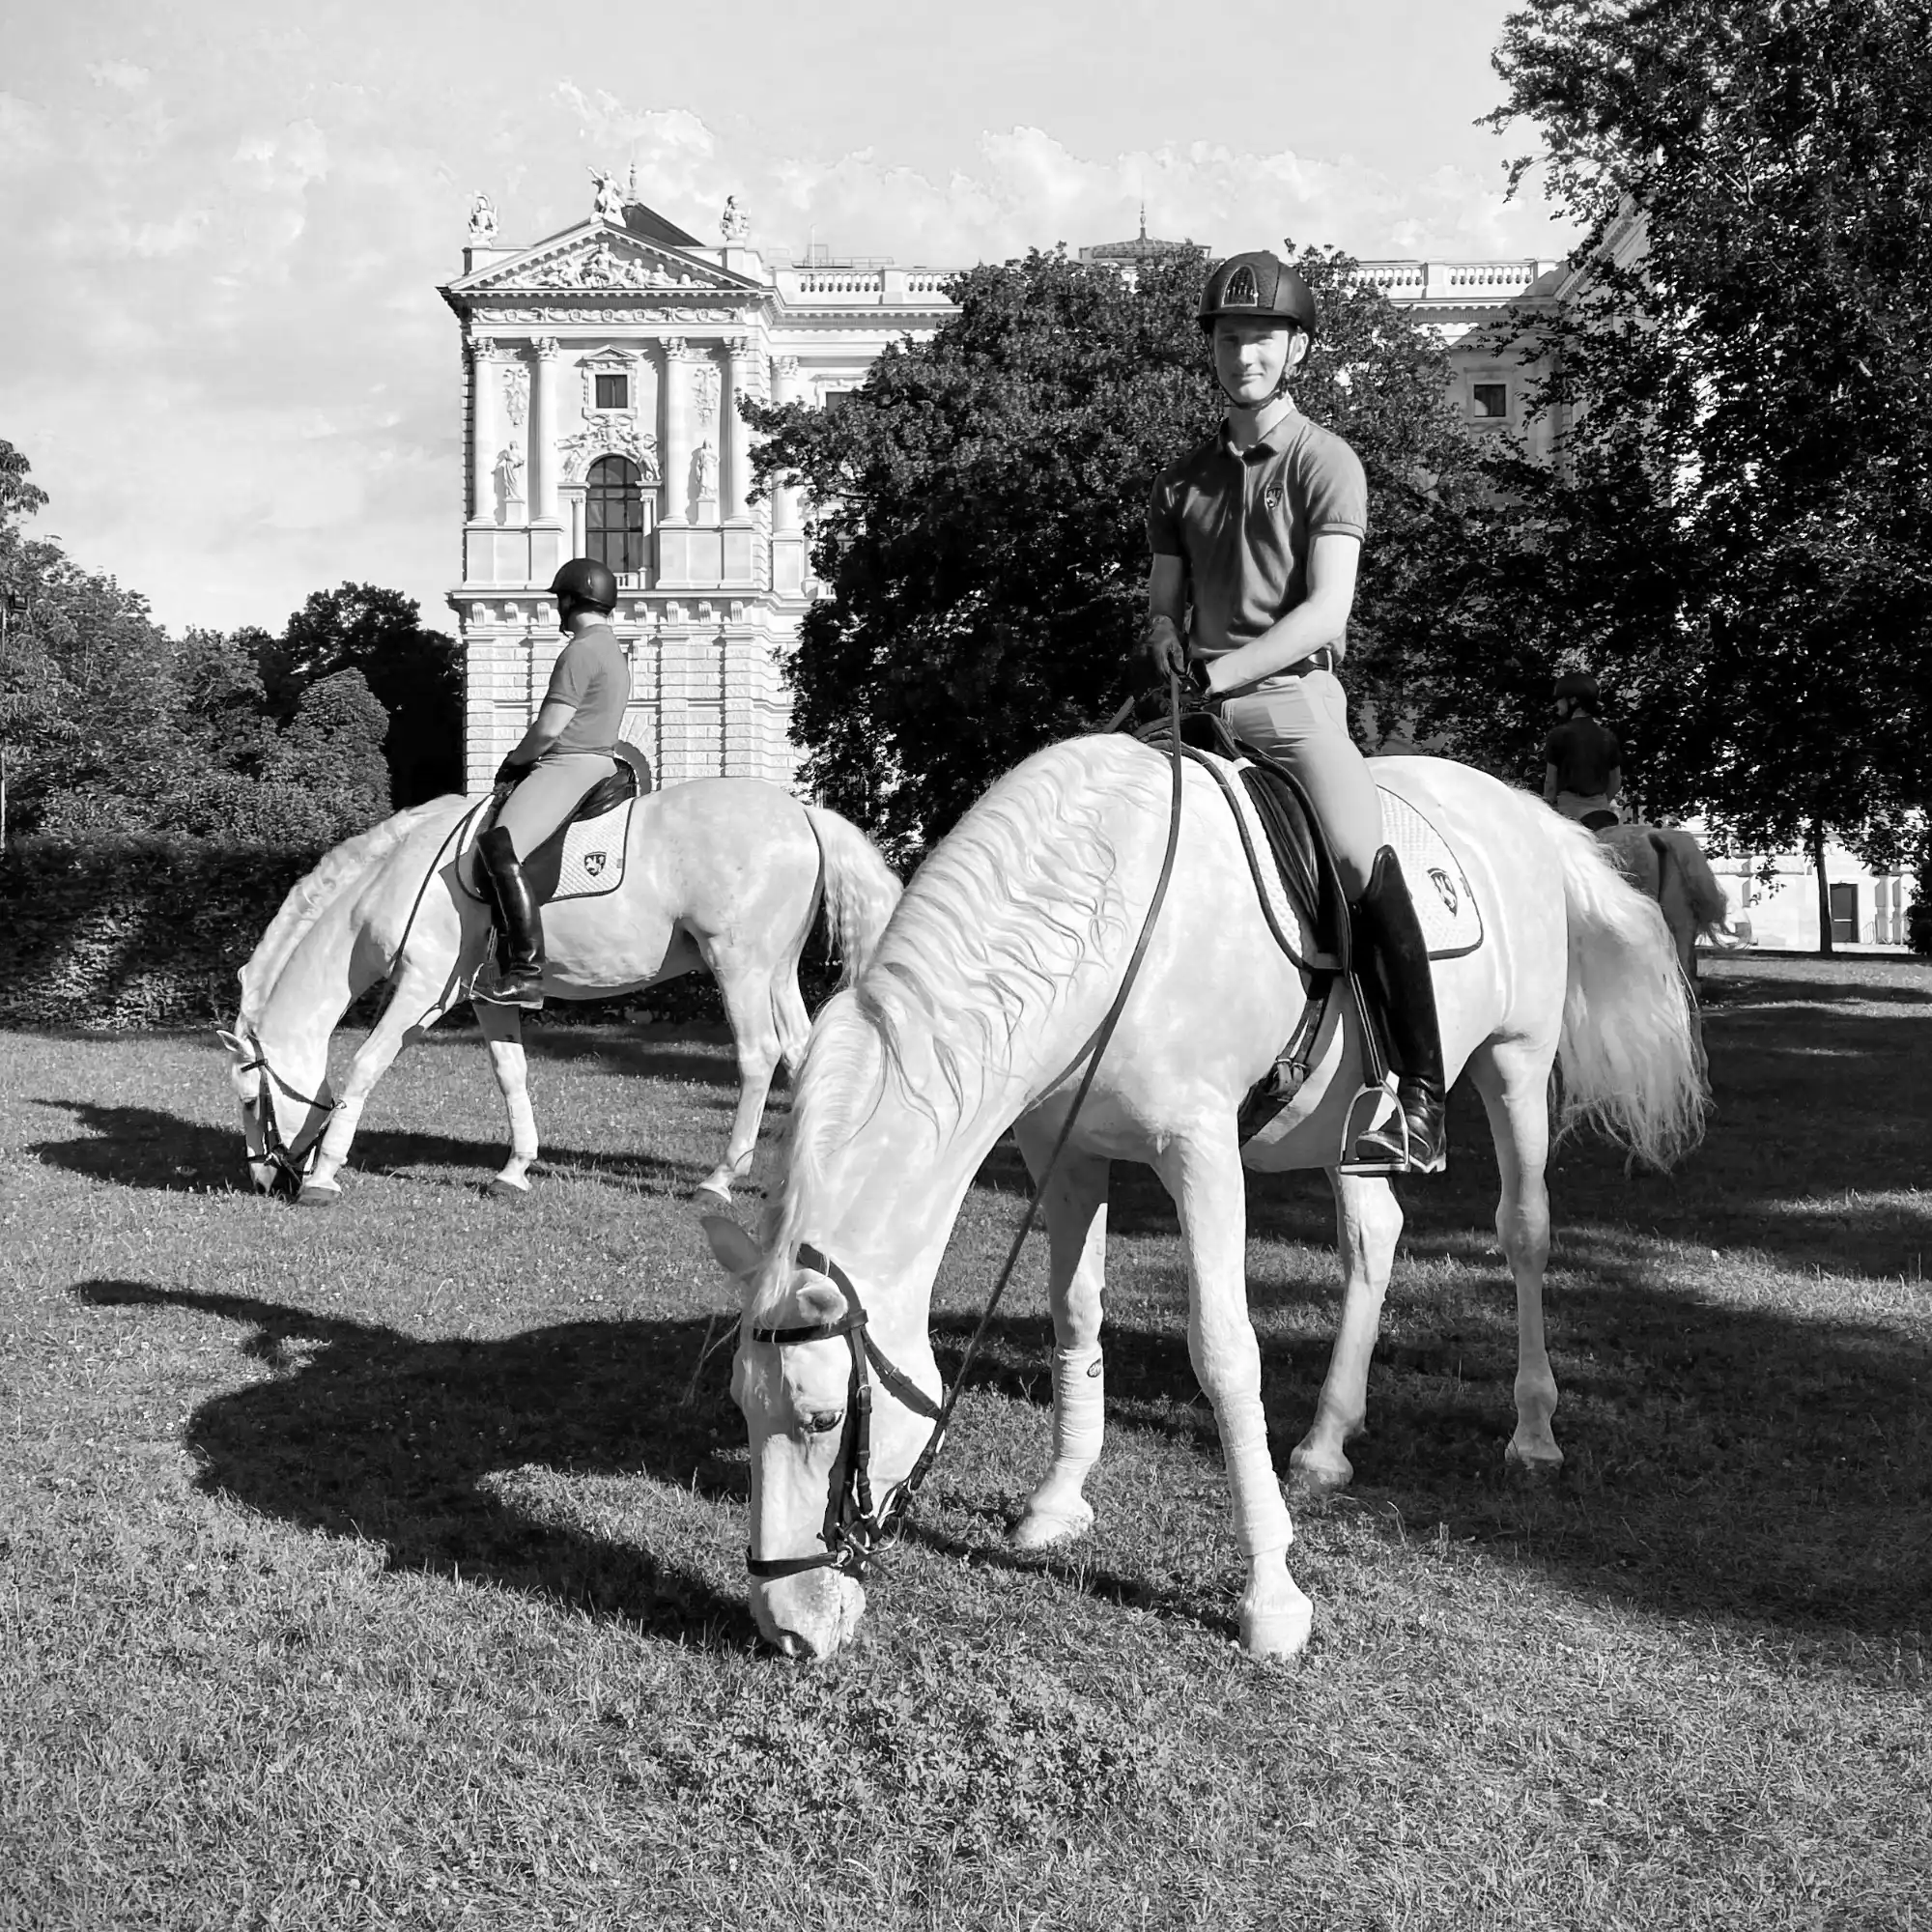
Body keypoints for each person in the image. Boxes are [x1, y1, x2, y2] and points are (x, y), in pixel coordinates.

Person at [1140, 250, 1445, 1173]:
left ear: (1297, 350)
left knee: (1358, 856)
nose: (1246, 355)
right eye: (1231, 338)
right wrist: (1159, 635)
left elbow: (1326, 612)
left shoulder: (1327, 462)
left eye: (1263, 339)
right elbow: (1164, 600)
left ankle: (1420, 1100)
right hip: (1196, 704)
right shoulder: (1180, 478)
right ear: (1214, 349)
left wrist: (1225, 671)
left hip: (1292, 704)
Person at [475, 557, 632, 1008]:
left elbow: (549, 728)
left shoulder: (580, 651)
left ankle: (524, 973)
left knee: (500, 849)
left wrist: (515, 759)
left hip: (568, 766)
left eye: (559, 600)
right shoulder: (612, 649)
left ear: (569, 600)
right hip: (603, 762)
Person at [1542, 669, 1624, 830]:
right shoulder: (1608, 736)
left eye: (1560, 700)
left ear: (1573, 701)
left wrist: (1547, 811)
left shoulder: (1558, 735)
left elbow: (1550, 785)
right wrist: (1599, 804)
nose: (1557, 705)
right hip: (1602, 813)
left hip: (1569, 813)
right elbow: (1615, 782)